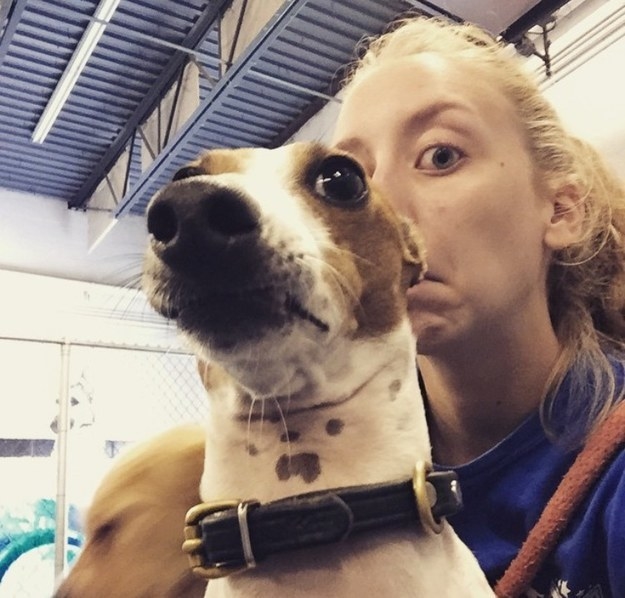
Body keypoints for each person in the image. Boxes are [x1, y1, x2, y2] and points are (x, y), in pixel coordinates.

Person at [332, 16, 625, 597]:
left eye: (440, 156)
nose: (378, 211)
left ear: (561, 210)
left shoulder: (611, 482)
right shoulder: (327, 476)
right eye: (348, 183)